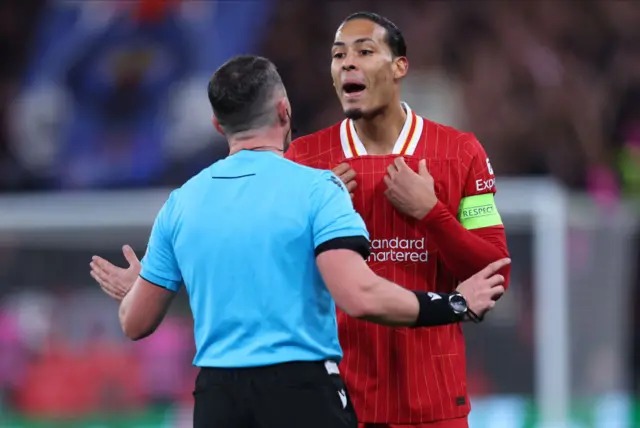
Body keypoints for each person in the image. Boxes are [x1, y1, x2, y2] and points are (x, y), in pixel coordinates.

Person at [89, 55, 509, 428]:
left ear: (219, 125)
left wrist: (140, 287)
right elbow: (360, 296)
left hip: (218, 397)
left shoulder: (182, 203)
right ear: (284, 111)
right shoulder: (317, 189)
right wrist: (455, 304)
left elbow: (135, 322)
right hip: (301, 389)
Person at [284, 12, 512, 428]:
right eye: (338, 56)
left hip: (435, 402)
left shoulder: (460, 152)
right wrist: (313, 215)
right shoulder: (304, 160)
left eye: (365, 51)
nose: (347, 64)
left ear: (399, 66)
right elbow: (277, 276)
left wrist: (432, 214)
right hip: (335, 404)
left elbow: (494, 274)